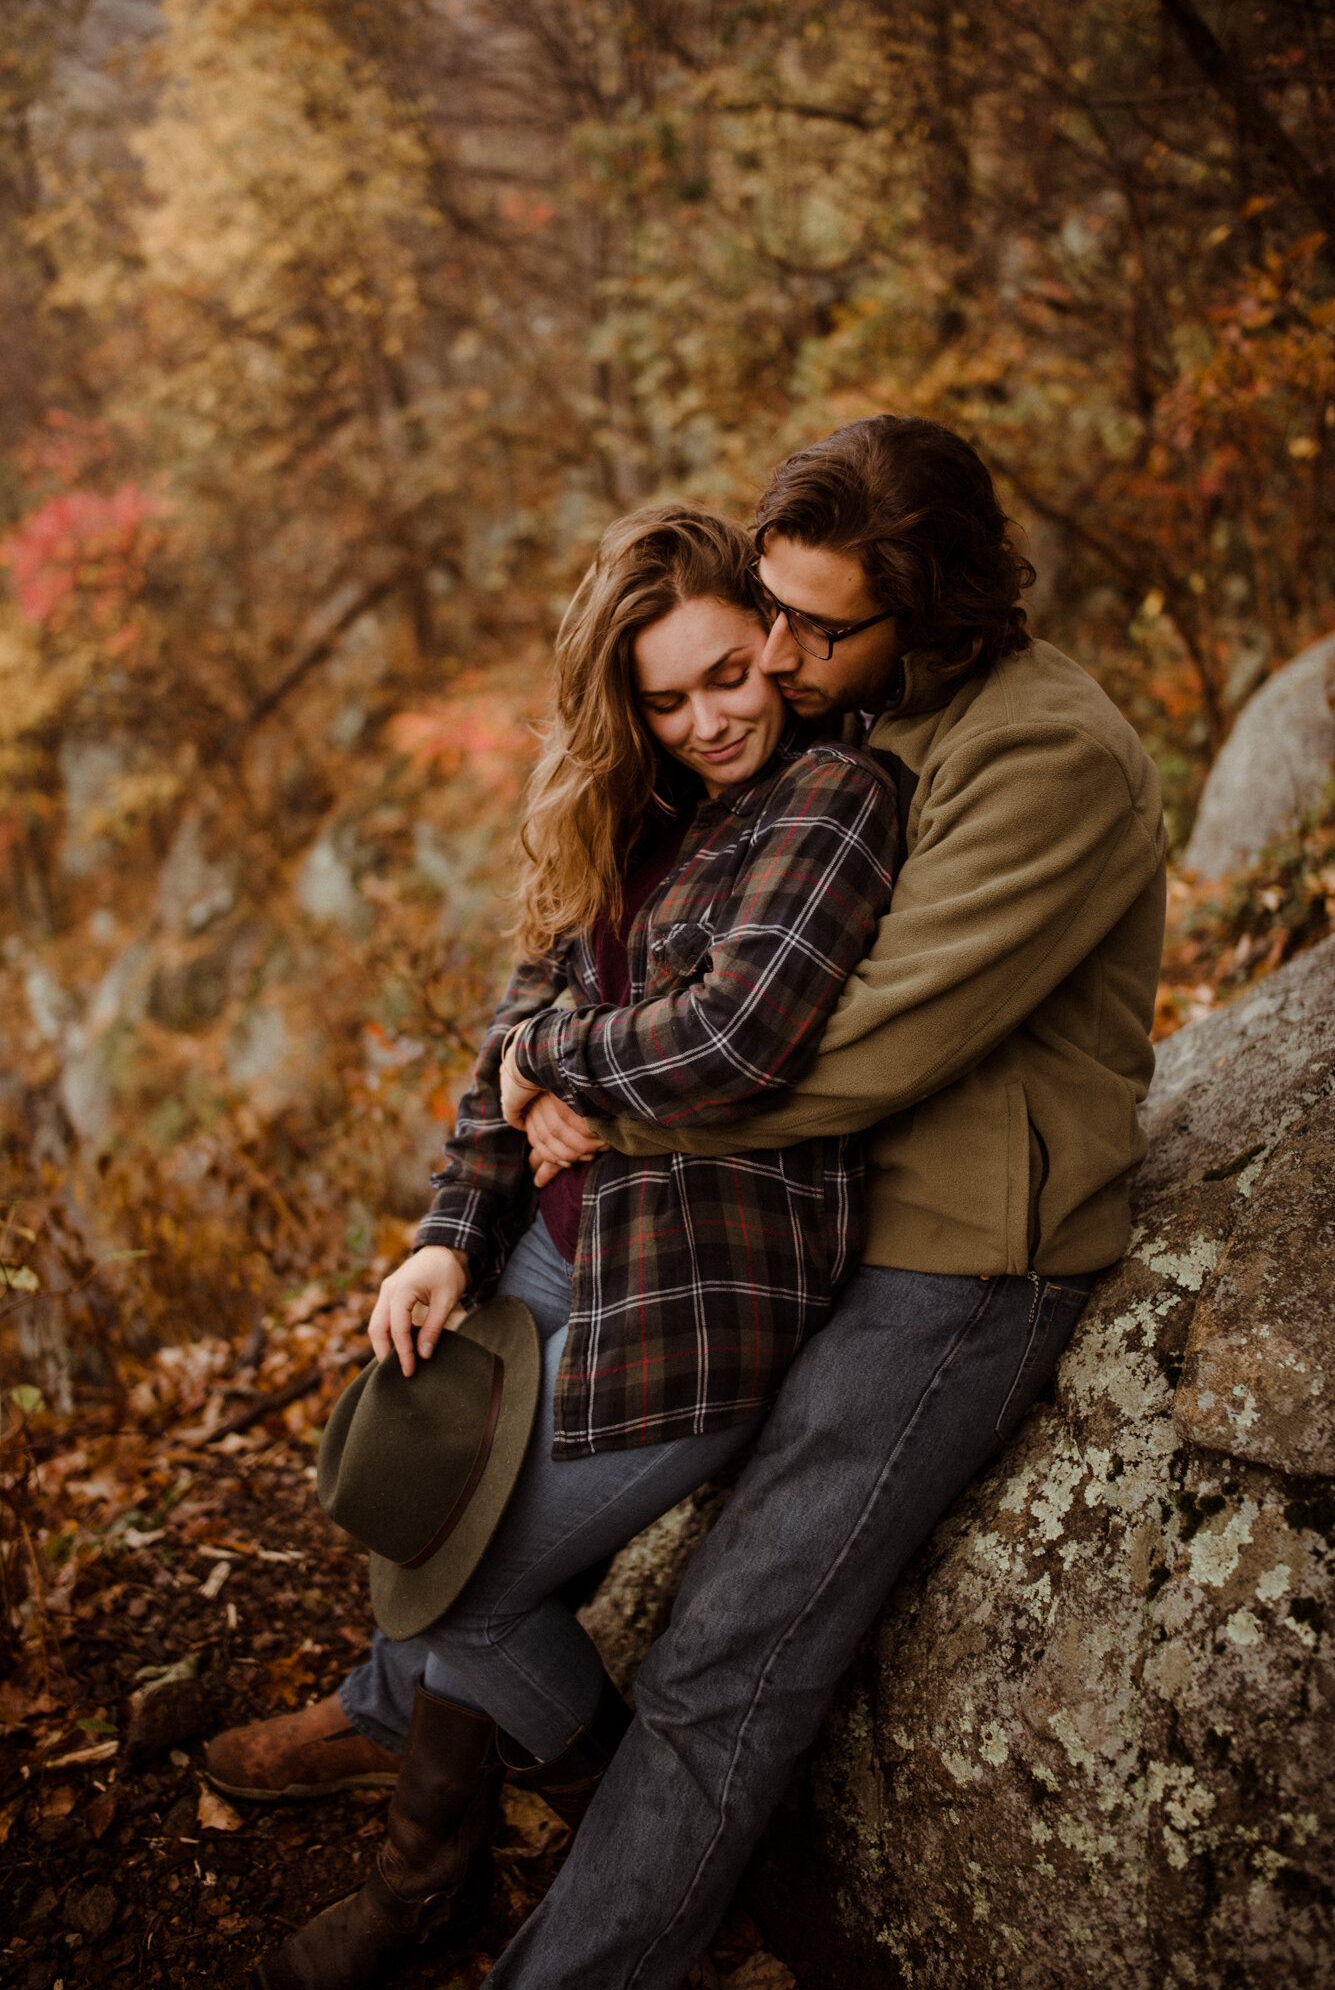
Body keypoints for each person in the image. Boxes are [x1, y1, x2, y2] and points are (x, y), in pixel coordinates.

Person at [466, 413, 1167, 1989]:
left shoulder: (1042, 753)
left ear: (934, 601)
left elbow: (858, 1052)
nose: (773, 657)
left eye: (809, 625)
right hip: (808, 1216)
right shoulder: (874, 707)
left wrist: (599, 1113)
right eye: (766, 611)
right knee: (483, 1512)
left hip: (961, 1252)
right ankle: (421, 1773)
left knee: (731, 1654)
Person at [241, 504, 900, 1990]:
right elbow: (513, 1036)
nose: (711, 721)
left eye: (731, 675)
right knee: (413, 1501)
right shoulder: (624, 800)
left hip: (694, 1290)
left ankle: (650, 1870)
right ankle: (438, 1868)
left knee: (469, 1589)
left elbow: (735, 1035)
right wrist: (447, 1239)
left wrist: (562, 1059)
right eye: (665, 700)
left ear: (775, 640)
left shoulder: (832, 797)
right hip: (540, 1255)